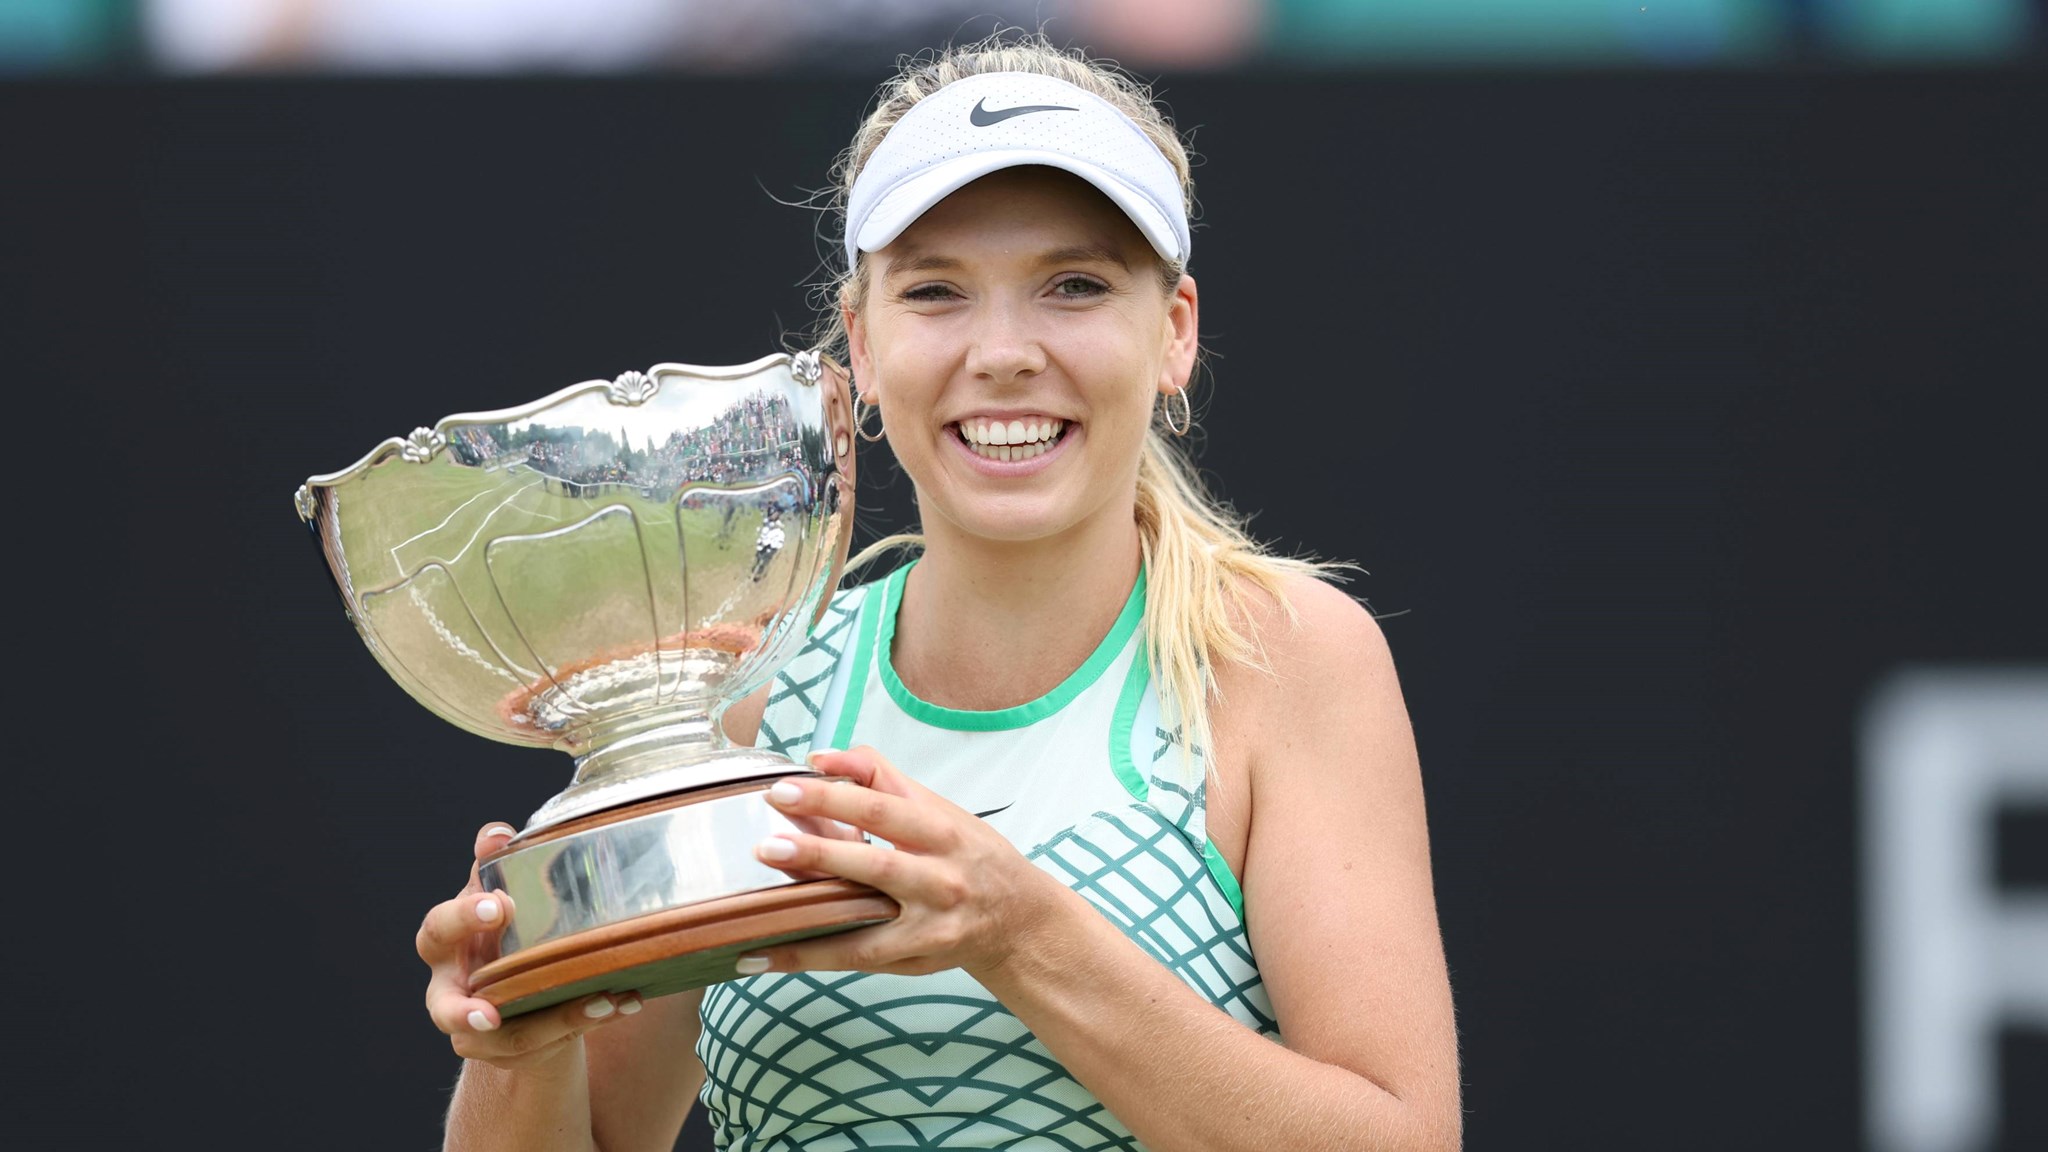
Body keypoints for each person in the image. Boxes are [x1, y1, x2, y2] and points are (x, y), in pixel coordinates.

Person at [417, 34, 1461, 1152]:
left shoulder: (1286, 659)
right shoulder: (754, 697)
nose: (1003, 351)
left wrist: (1020, 934)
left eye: (1073, 286)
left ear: (1173, 332)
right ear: (860, 349)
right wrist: (517, 1046)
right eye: (935, 291)